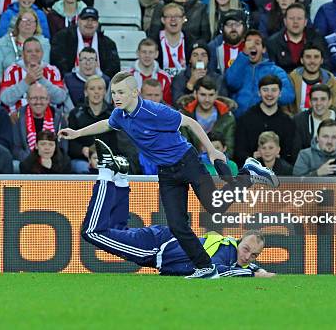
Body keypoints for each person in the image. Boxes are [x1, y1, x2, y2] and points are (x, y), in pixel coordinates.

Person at [60, 71, 280, 279]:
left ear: (134, 93)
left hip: (187, 161)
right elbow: (108, 124)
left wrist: (211, 150)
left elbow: (191, 122)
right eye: (114, 93)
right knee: (177, 225)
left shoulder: (155, 111)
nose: (116, 97)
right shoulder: (120, 114)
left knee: (216, 206)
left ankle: (249, 173)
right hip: (166, 172)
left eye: (121, 92)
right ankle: (205, 267)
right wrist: (78, 132)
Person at [81, 159, 276, 278]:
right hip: (155, 247)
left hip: (162, 240)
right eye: (246, 250)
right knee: (92, 232)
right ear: (238, 242)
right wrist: (253, 273)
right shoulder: (226, 251)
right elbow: (215, 269)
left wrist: (257, 270)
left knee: (117, 229)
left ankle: (121, 177)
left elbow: (242, 265)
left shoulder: (234, 254)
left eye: (253, 255)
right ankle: (106, 172)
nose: (247, 257)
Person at [225, 29, 295, 117]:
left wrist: (267, 95)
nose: (252, 46)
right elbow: (231, 83)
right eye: (249, 43)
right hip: (239, 119)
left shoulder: (275, 71)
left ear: (264, 49)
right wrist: (243, 56)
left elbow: (288, 96)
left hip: (266, 119)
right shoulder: (239, 66)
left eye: (257, 43)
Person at [235, 75, 297, 165]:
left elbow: (290, 154)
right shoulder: (245, 119)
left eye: (274, 90)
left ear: (280, 93)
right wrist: (252, 157)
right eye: (265, 90)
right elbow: (238, 152)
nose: (269, 94)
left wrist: (276, 158)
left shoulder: (288, 122)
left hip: (280, 174)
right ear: (259, 93)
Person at [1, 37, 68, 114]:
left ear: (42, 53)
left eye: (37, 51)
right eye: (29, 51)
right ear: (22, 54)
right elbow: (5, 99)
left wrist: (41, 79)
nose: (34, 54)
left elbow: (60, 98)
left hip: (48, 119)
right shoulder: (11, 71)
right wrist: (26, 82)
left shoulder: (52, 71)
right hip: (18, 120)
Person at [51, 7, 120, 78]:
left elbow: (114, 68)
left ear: (97, 23)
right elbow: (58, 63)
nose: (89, 23)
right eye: (85, 19)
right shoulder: (62, 38)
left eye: (93, 20)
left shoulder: (108, 43)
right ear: (78, 21)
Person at [177, 76, 237, 157]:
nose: (207, 99)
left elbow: (229, 149)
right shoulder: (184, 116)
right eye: (203, 94)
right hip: (193, 164)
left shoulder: (228, 117)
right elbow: (183, 148)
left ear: (216, 95)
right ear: (195, 94)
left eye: (211, 95)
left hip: (219, 164)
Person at [67, 75, 116, 173]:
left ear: (105, 92)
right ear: (86, 92)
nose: (96, 92)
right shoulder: (75, 114)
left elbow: (117, 143)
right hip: (82, 160)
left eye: (100, 88)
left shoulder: (113, 114)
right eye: (92, 88)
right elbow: (70, 144)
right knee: (84, 168)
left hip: (108, 159)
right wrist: (82, 150)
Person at [266, 3, 327, 74]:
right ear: (285, 21)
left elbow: (325, 65)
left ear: (305, 22)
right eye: (291, 18)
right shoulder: (273, 42)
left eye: (299, 18)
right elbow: (271, 70)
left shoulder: (317, 39)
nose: (295, 22)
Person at [293, 83, 336, 151]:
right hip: (308, 161)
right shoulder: (299, 120)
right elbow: (296, 153)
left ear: (330, 101)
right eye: (315, 99)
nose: (319, 103)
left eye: (323, 99)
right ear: (310, 102)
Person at [0, 9, 51, 80]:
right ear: (17, 24)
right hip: (8, 85)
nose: (28, 23)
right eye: (24, 20)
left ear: (36, 26)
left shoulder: (44, 43)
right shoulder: (2, 43)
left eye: (32, 21)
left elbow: (44, 68)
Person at [285, 43, 336, 116]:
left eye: (316, 57)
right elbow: (285, 108)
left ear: (322, 60)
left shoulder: (332, 81)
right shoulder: (291, 79)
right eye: (308, 57)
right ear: (301, 60)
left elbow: (333, 108)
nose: (312, 61)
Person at [12, 83, 63, 161]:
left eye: (42, 98)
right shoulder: (18, 116)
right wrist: (33, 161)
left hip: (53, 162)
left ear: (48, 99)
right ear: (27, 99)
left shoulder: (59, 117)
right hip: (27, 161)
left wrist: (48, 160)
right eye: (34, 98)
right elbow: (15, 148)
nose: (38, 102)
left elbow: (63, 148)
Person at [148, 3, 195, 79]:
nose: (173, 19)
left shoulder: (192, 42)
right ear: (163, 20)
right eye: (169, 16)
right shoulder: (153, 42)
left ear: (183, 19)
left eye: (177, 16)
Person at [129, 38, 173, 105]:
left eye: (151, 52)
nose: (147, 56)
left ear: (156, 54)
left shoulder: (164, 77)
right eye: (144, 52)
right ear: (138, 53)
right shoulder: (127, 76)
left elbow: (167, 103)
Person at [207, 9, 246, 75]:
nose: (233, 28)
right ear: (222, 28)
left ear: (244, 27)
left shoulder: (253, 46)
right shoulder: (213, 48)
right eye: (229, 24)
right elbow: (210, 75)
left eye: (237, 24)